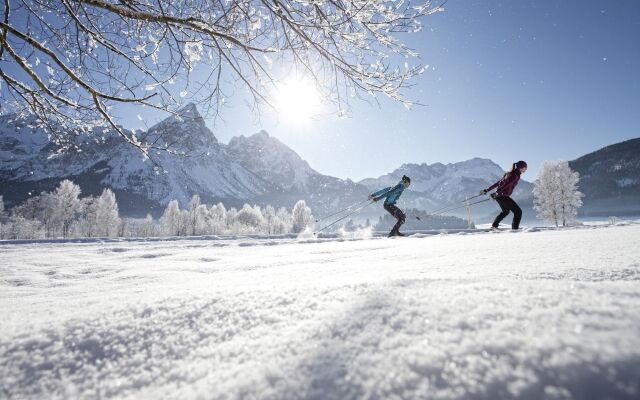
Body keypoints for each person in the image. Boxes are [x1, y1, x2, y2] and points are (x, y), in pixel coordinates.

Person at [480, 161, 527, 230]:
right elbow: (506, 184)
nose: (526, 169)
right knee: (518, 212)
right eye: (525, 167)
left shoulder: (509, 173)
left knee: (505, 211)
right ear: (521, 167)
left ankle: (494, 226)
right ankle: (515, 229)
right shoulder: (515, 175)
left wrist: (487, 190)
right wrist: (497, 192)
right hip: (502, 195)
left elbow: (499, 183)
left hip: (499, 195)